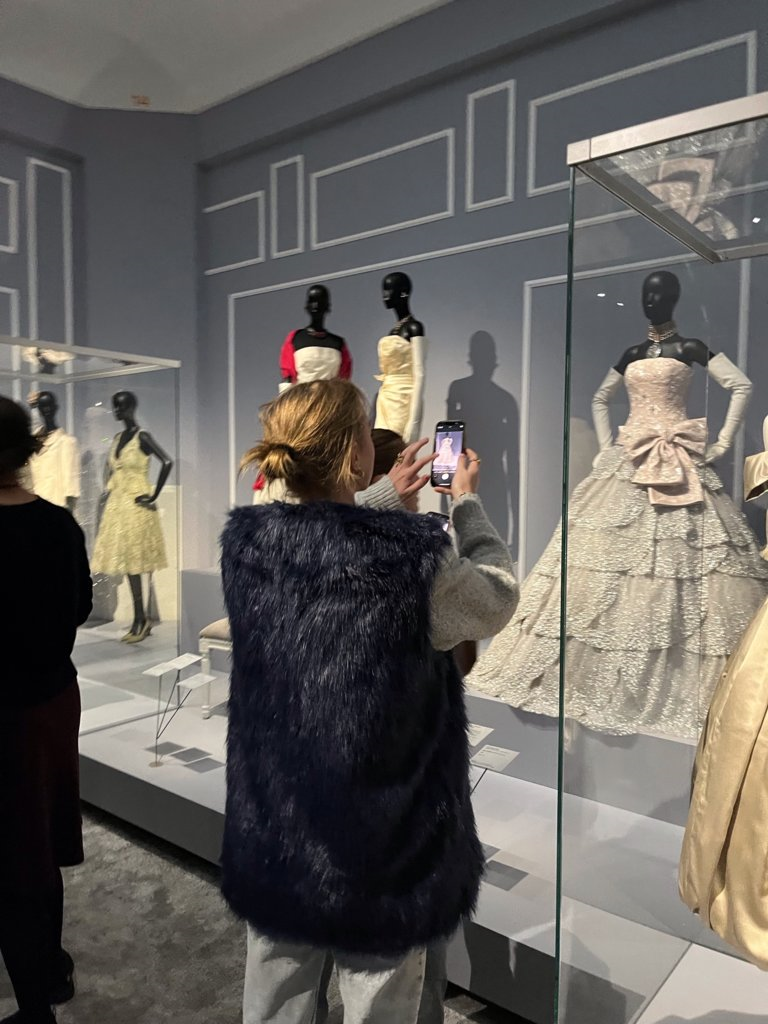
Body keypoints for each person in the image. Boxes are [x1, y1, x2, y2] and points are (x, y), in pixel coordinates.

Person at [221, 380, 518, 1024]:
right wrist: (466, 504)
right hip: (383, 835)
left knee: (275, 986)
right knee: (379, 995)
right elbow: (495, 597)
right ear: (354, 454)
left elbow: (322, 545)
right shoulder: (412, 559)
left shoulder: (248, 546)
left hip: (276, 817)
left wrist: (382, 498)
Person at [0, 397, 93, 1024]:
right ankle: (51, 971)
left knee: (10, 856)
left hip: (6, 711)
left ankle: (36, 1006)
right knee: (37, 839)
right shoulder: (59, 524)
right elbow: (78, 606)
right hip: (53, 698)